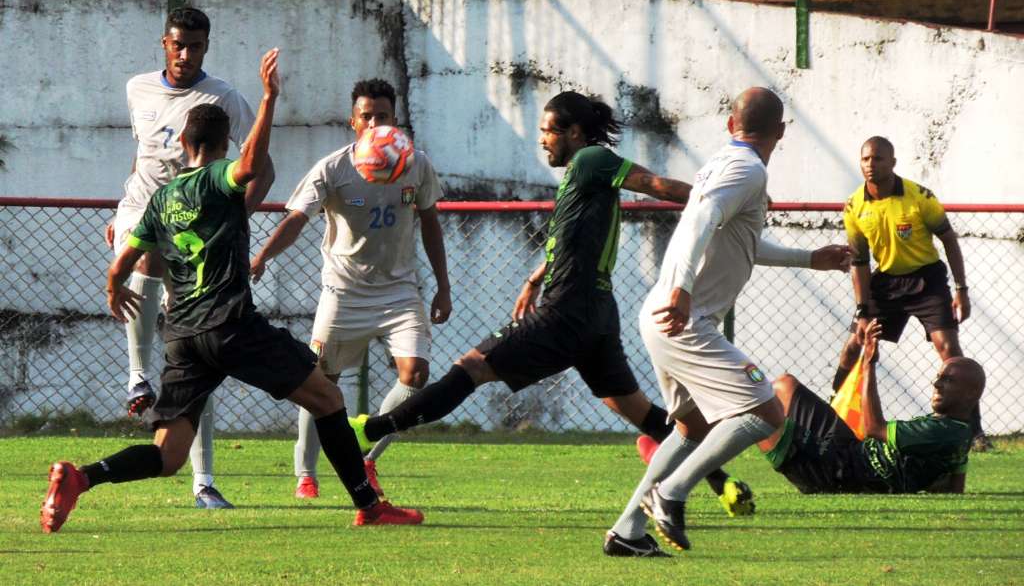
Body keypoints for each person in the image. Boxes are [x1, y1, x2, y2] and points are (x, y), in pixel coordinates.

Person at [41, 49, 423, 534]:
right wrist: (268, 99)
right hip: (231, 325)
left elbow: (123, 262)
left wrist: (115, 289)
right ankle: (370, 506)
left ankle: (80, 478)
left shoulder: (161, 197)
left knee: (169, 454)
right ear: (223, 144)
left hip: (182, 334)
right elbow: (249, 165)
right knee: (328, 399)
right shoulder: (218, 180)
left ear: (182, 140)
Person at [347, 91, 752, 517]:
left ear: (574, 133)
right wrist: (535, 277)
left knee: (471, 368)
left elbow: (654, 185)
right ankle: (724, 485)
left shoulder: (592, 159)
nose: (542, 140)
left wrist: (720, 204)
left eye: (547, 131)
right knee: (638, 410)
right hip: (596, 312)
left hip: (567, 312)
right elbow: (572, 238)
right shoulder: (584, 171)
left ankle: (370, 429)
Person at [604, 87, 852, 557]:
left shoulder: (725, 163)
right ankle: (671, 493)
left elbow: (737, 241)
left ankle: (627, 532)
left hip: (665, 316)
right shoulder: (746, 168)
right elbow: (699, 217)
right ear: (781, 131)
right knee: (766, 413)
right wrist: (680, 287)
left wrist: (809, 258)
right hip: (684, 317)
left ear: (729, 124)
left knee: (693, 428)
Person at [250, 78, 451, 500]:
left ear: (395, 120)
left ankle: (369, 454)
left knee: (415, 375)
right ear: (352, 121)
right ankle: (306, 471)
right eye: (367, 116)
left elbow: (430, 222)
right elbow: (296, 218)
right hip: (343, 292)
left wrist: (442, 286)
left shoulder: (415, 164)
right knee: (320, 381)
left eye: (383, 116)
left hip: (399, 291)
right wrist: (263, 256)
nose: (375, 123)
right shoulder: (333, 168)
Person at [106, 6, 271, 508]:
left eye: (195, 46)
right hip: (143, 213)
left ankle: (203, 480)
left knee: (198, 354)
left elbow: (258, 165)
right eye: (178, 45)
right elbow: (144, 155)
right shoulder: (139, 89)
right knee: (146, 260)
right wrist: (127, 204)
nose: (185, 54)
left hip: (192, 237)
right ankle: (137, 375)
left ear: (205, 47)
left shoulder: (222, 98)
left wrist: (234, 212)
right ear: (164, 44)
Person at [833, 136, 984, 449]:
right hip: (886, 284)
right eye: (865, 159)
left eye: (878, 159)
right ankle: (833, 420)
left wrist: (961, 289)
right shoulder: (854, 206)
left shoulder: (918, 197)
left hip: (927, 281)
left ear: (892, 162)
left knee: (949, 351)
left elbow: (949, 241)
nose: (871, 165)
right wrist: (862, 310)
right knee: (852, 347)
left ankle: (973, 432)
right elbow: (859, 262)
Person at [763, 319, 983, 494]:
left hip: (841, 473)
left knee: (757, 409)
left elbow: (874, 428)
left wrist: (869, 363)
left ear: (971, 393)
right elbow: (956, 486)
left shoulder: (943, 432)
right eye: (938, 377)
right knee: (783, 384)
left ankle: (732, 476)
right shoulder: (958, 432)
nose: (936, 384)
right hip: (850, 450)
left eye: (948, 380)